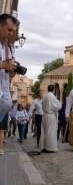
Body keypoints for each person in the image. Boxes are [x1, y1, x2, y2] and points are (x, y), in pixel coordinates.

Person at [0, 14, 18, 155]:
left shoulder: (6, 48)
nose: (11, 33)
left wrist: (11, 70)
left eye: (13, 31)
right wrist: (3, 65)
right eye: (9, 29)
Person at [42, 85, 61, 153]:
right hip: (50, 115)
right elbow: (58, 106)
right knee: (51, 132)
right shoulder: (52, 96)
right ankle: (50, 148)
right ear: (54, 90)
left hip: (44, 115)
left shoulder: (45, 96)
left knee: (45, 131)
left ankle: (44, 146)